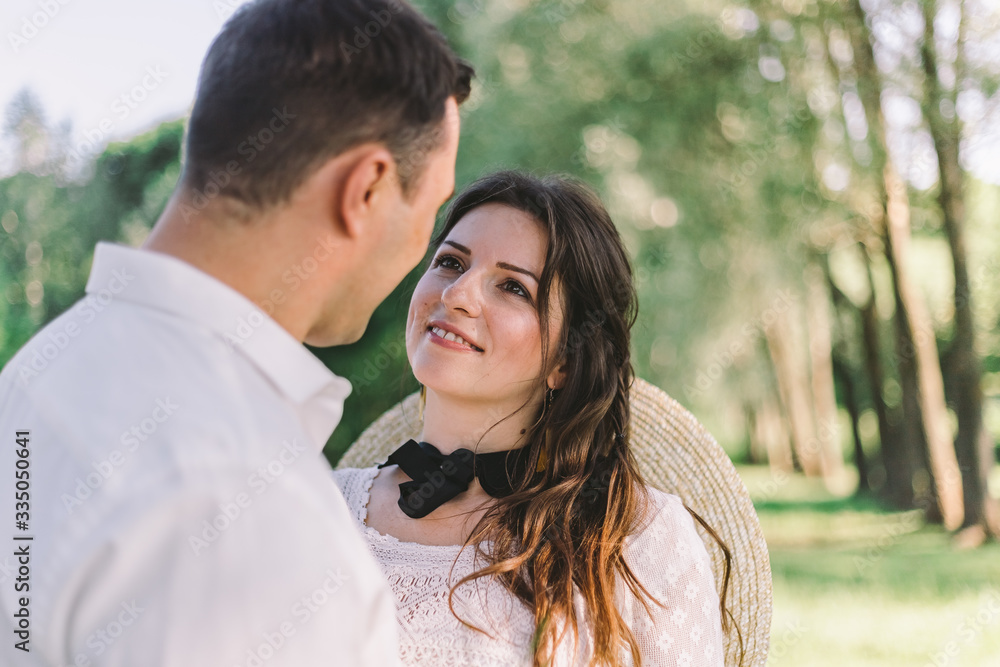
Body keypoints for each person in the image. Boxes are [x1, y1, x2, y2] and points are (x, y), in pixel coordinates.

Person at [0, 0, 472, 665]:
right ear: (365, 189)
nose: (424, 252)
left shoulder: (38, 372)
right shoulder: (254, 520)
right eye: (430, 209)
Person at [332, 171, 731, 666]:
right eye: (451, 261)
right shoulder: (319, 507)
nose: (456, 294)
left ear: (564, 360)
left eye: (513, 287)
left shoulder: (635, 538)